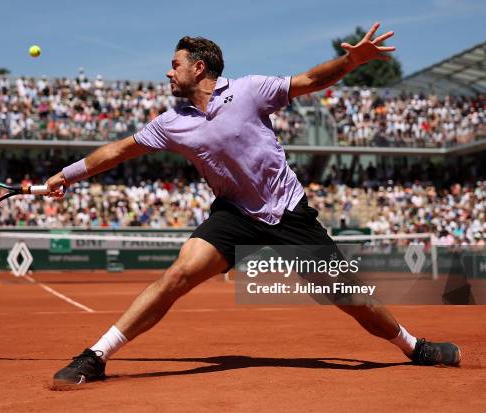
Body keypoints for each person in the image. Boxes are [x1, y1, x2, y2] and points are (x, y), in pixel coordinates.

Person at [45, 22, 461, 387]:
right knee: (177, 274)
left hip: (290, 213)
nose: (168, 72)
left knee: (351, 298)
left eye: (175, 64)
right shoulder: (171, 124)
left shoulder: (249, 90)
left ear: (199, 68)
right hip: (234, 215)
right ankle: (97, 356)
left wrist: (352, 62)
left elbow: (311, 80)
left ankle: (414, 346)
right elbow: (118, 151)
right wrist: (68, 174)